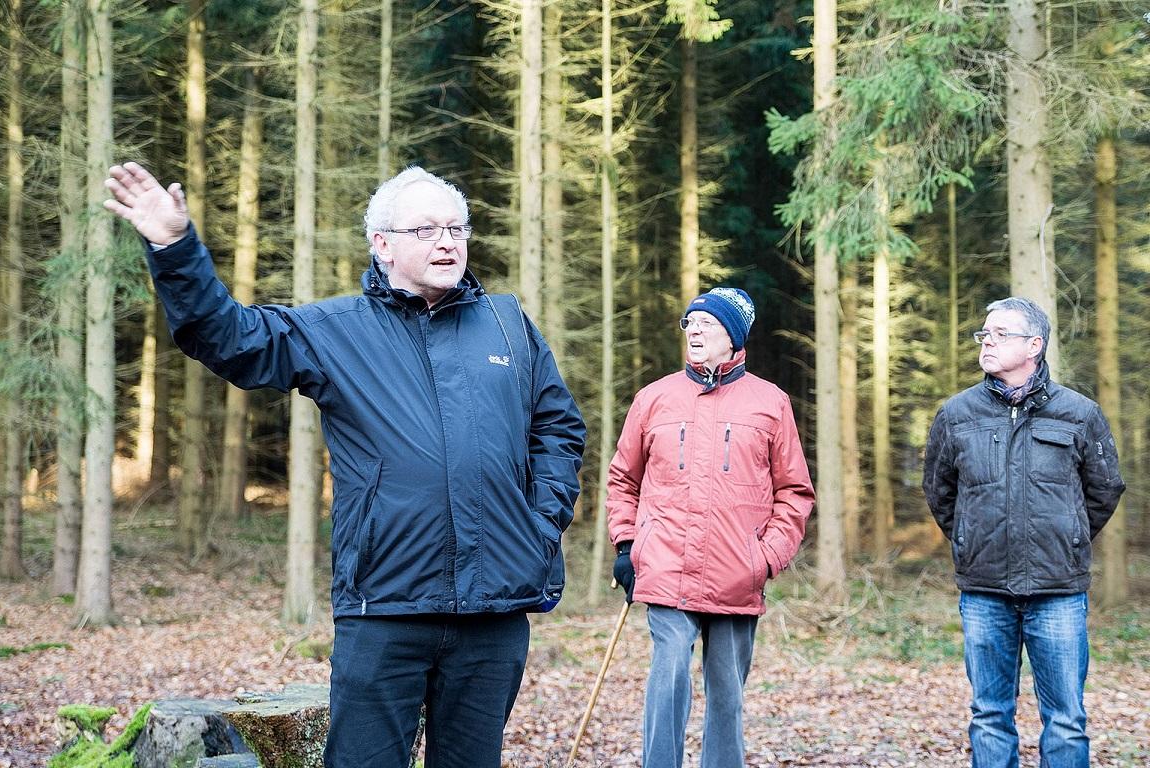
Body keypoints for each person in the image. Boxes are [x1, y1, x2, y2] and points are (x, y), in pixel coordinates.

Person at [103, 162, 586, 768]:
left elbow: (558, 427)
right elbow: (228, 338)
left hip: (496, 609)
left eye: (457, 227)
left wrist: (538, 528)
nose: (447, 241)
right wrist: (175, 248)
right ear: (382, 245)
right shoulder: (337, 330)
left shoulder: (508, 325)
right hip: (385, 606)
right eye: (427, 229)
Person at [606, 287, 815, 768]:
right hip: (664, 568)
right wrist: (626, 544)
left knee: (727, 695)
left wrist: (764, 559)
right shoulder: (653, 398)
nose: (694, 330)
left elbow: (794, 492)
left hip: (737, 575)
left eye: (708, 323)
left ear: (734, 337)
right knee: (669, 673)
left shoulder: (771, 402)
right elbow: (622, 479)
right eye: (690, 322)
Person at [922, 296, 1125, 768]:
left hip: (1057, 590)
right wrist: (973, 539)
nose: (987, 341)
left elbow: (1104, 489)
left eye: (1000, 333)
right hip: (984, 589)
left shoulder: (1079, 413)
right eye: (983, 333)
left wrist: (1067, 538)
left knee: (1066, 718)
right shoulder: (956, 414)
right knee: (989, 714)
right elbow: (940, 492)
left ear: (1034, 345)